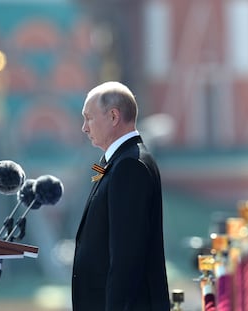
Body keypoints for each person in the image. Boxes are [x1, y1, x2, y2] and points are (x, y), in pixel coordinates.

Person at [72, 81, 170, 311]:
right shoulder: (117, 161)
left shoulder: (129, 166)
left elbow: (126, 257)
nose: (84, 128)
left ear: (114, 116)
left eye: (89, 118)